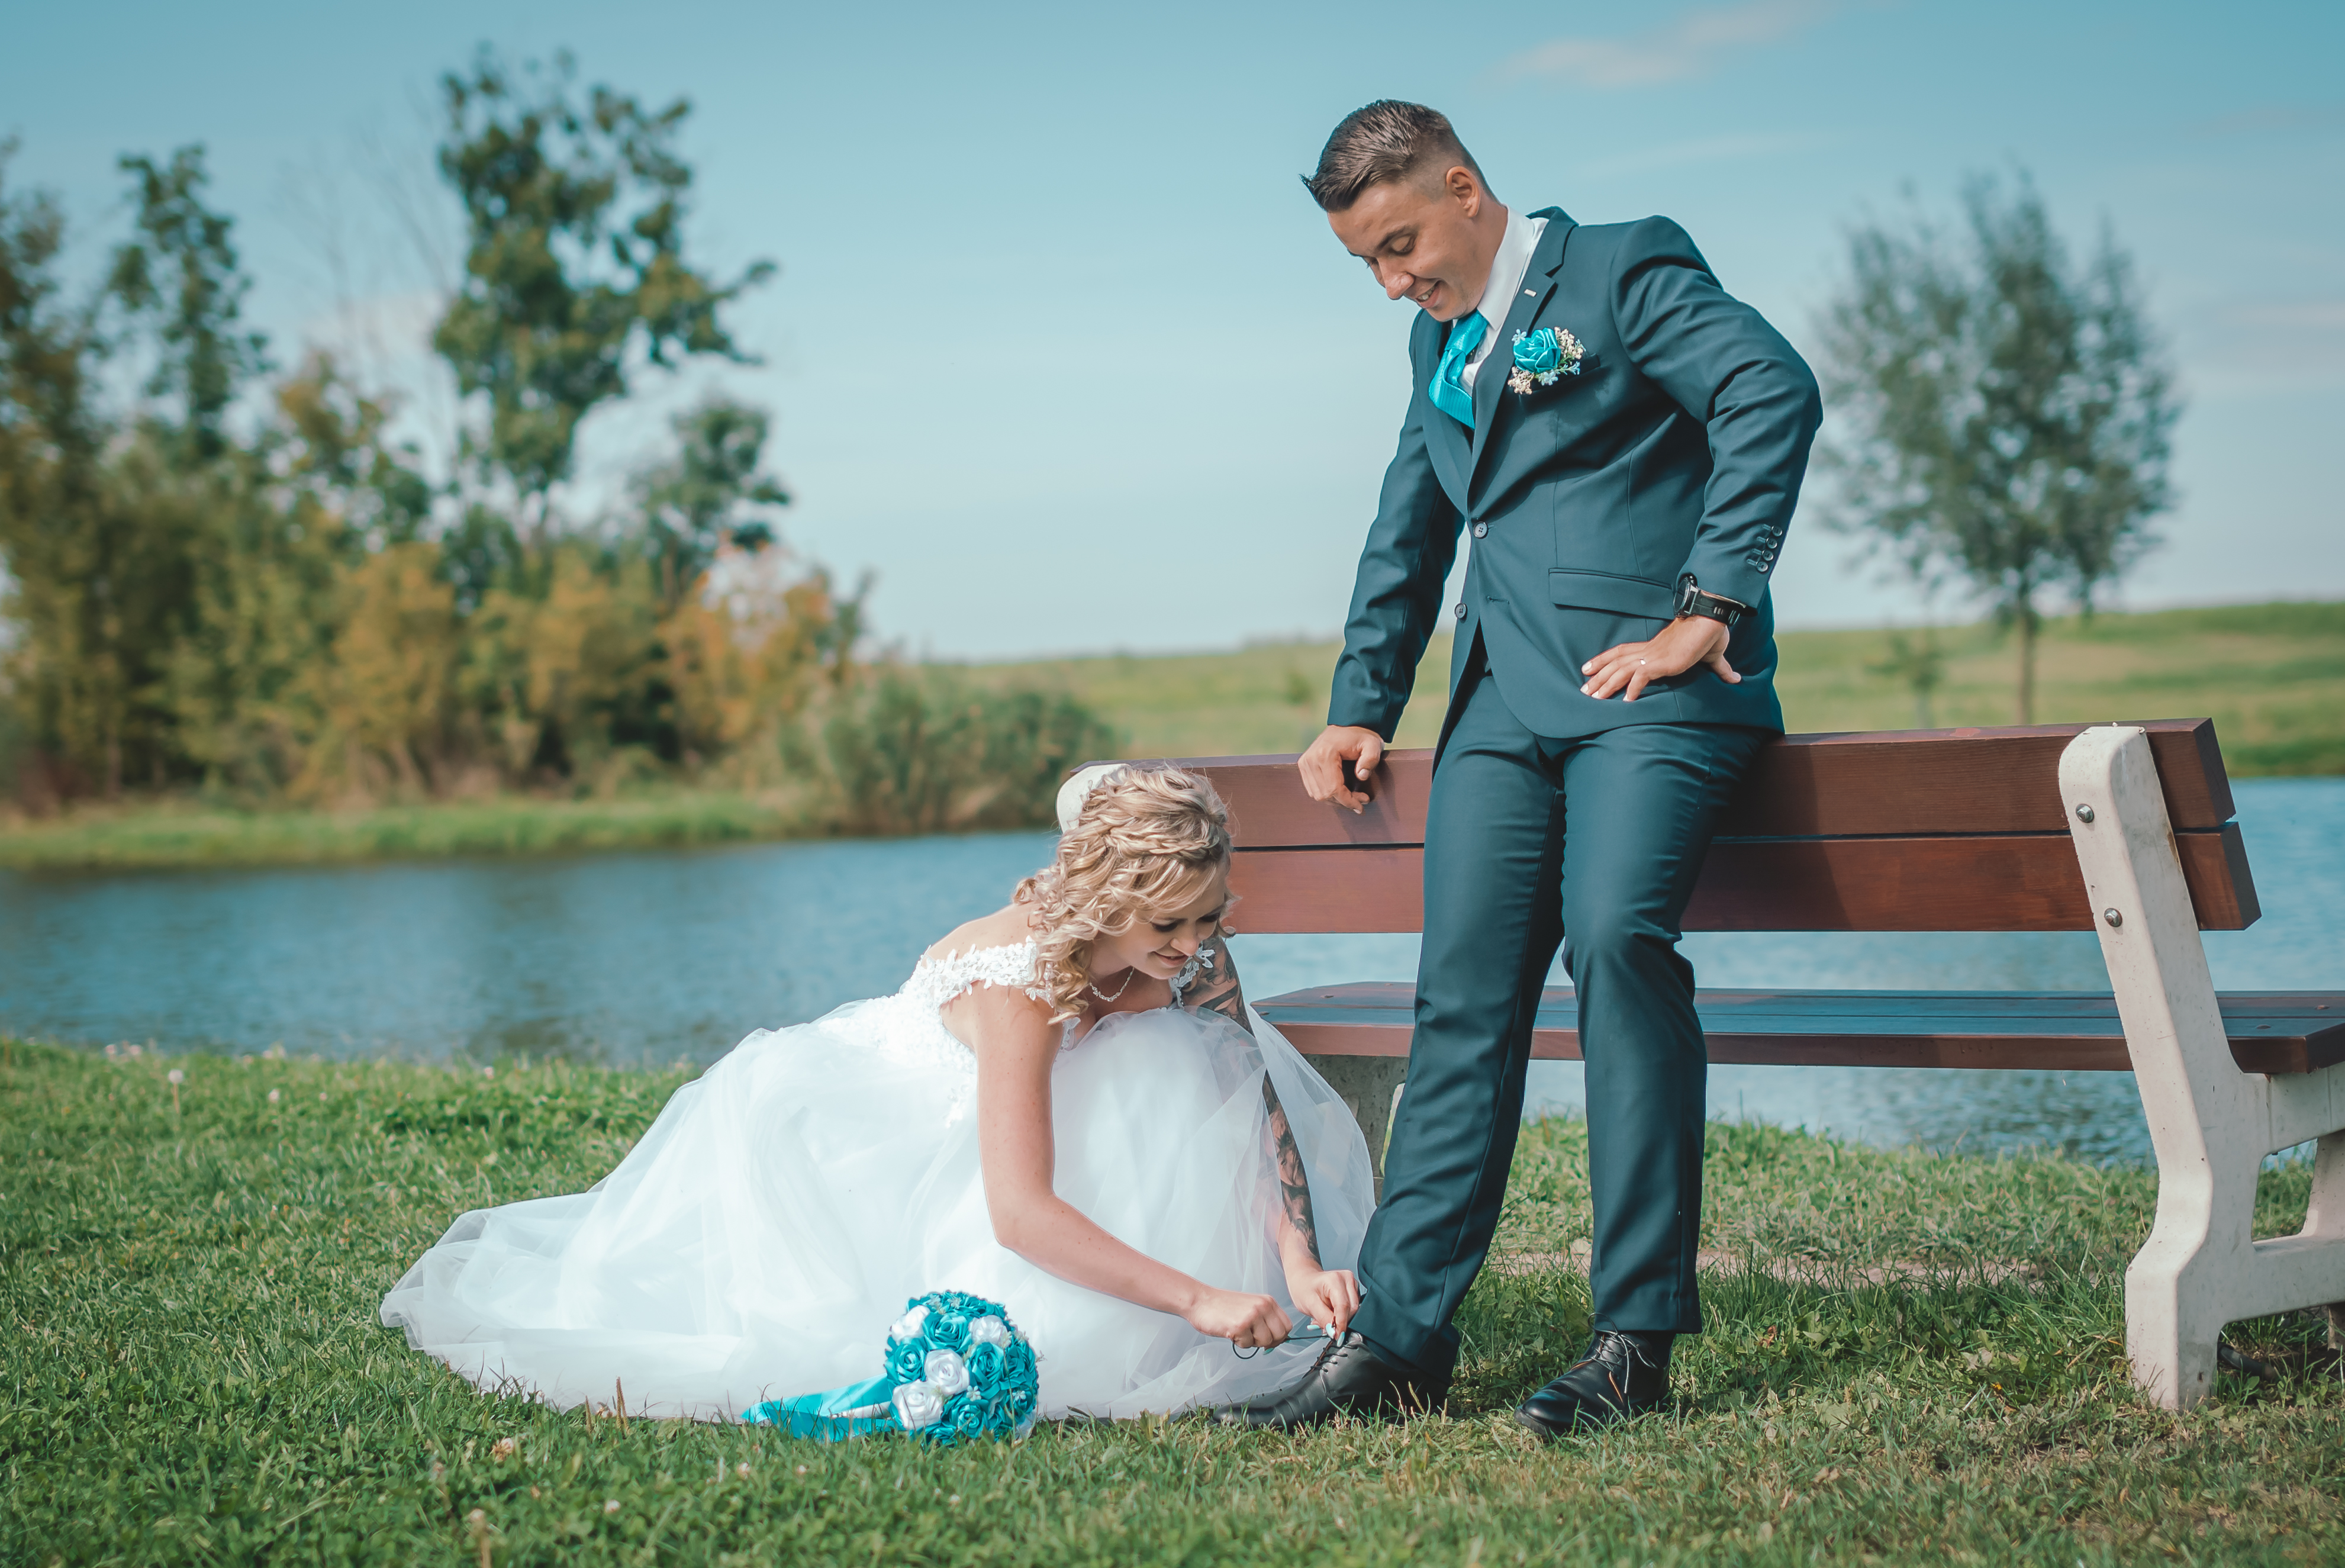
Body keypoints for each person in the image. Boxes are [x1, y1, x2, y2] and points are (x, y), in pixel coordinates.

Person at [1220, 102, 1822, 1438]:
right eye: (1366, 264)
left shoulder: (1621, 267)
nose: (1393, 282)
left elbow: (1769, 388)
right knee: (1462, 999)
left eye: (1400, 245)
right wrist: (1361, 703)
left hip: (1645, 697)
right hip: (1496, 704)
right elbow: (1409, 525)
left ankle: (1633, 1341)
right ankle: (1396, 1341)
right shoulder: (1434, 343)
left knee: (1616, 940)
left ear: (1463, 187)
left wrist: (1708, 606)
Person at [379, 765, 1374, 1422]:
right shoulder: (1022, 983)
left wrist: (1295, 1254)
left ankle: (1232, 1298)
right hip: (864, 1143)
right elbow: (1020, 1213)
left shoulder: (1188, 952)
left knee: (1175, 1059)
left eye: (1210, 918)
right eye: (1170, 924)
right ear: (1107, 899)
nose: (1194, 946)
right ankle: (1179, 1309)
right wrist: (1198, 1297)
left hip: (1027, 1117)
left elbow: (1239, 1102)